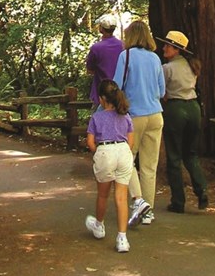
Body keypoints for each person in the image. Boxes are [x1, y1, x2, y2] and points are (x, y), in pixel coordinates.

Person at [112, 19, 165, 227]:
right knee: (149, 166)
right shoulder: (155, 58)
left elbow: (116, 86)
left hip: (134, 116)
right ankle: (148, 211)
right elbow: (162, 91)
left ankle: (139, 200)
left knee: (127, 160)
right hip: (156, 115)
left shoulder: (125, 57)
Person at [157, 30, 208, 213]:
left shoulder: (167, 68)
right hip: (194, 109)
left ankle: (178, 201)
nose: (164, 48)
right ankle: (202, 189)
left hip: (175, 109)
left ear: (177, 49)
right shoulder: (191, 66)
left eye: (168, 45)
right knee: (191, 153)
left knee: (174, 156)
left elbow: (161, 91)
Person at [85, 78, 135, 253]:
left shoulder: (97, 117)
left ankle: (99, 226)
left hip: (106, 151)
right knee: (121, 197)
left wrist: (98, 152)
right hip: (123, 152)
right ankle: (122, 238)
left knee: (103, 195)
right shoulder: (126, 116)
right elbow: (131, 141)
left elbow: (90, 142)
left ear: (101, 99)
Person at [85, 13, 124, 106]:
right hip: (120, 93)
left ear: (101, 29)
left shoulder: (96, 48)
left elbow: (89, 70)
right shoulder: (123, 46)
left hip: (102, 96)